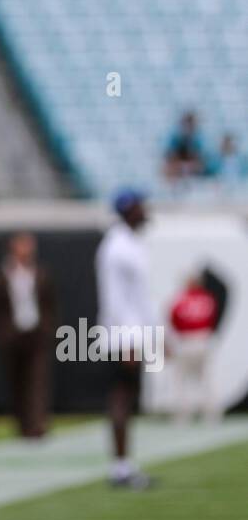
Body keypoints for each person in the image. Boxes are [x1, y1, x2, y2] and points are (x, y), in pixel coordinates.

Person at [95, 190, 156, 488]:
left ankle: (124, 464)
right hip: (123, 335)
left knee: (128, 398)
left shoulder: (129, 243)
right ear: (129, 209)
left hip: (130, 332)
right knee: (121, 396)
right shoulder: (118, 247)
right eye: (141, 206)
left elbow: (139, 298)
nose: (146, 211)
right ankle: (120, 467)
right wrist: (127, 340)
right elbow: (116, 299)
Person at [0, 234, 55, 439]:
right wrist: (3, 333)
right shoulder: (0, 275)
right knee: (17, 381)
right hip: (13, 335)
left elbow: (51, 304)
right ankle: (22, 424)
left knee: (38, 380)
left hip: (36, 333)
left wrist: (47, 328)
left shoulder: (41, 273)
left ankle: (37, 424)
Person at [168, 275, 220, 424]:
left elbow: (173, 321)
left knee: (180, 380)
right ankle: (212, 414)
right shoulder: (208, 299)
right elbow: (213, 319)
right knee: (207, 378)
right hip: (203, 339)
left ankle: (182, 416)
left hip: (186, 341)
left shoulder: (180, 299)